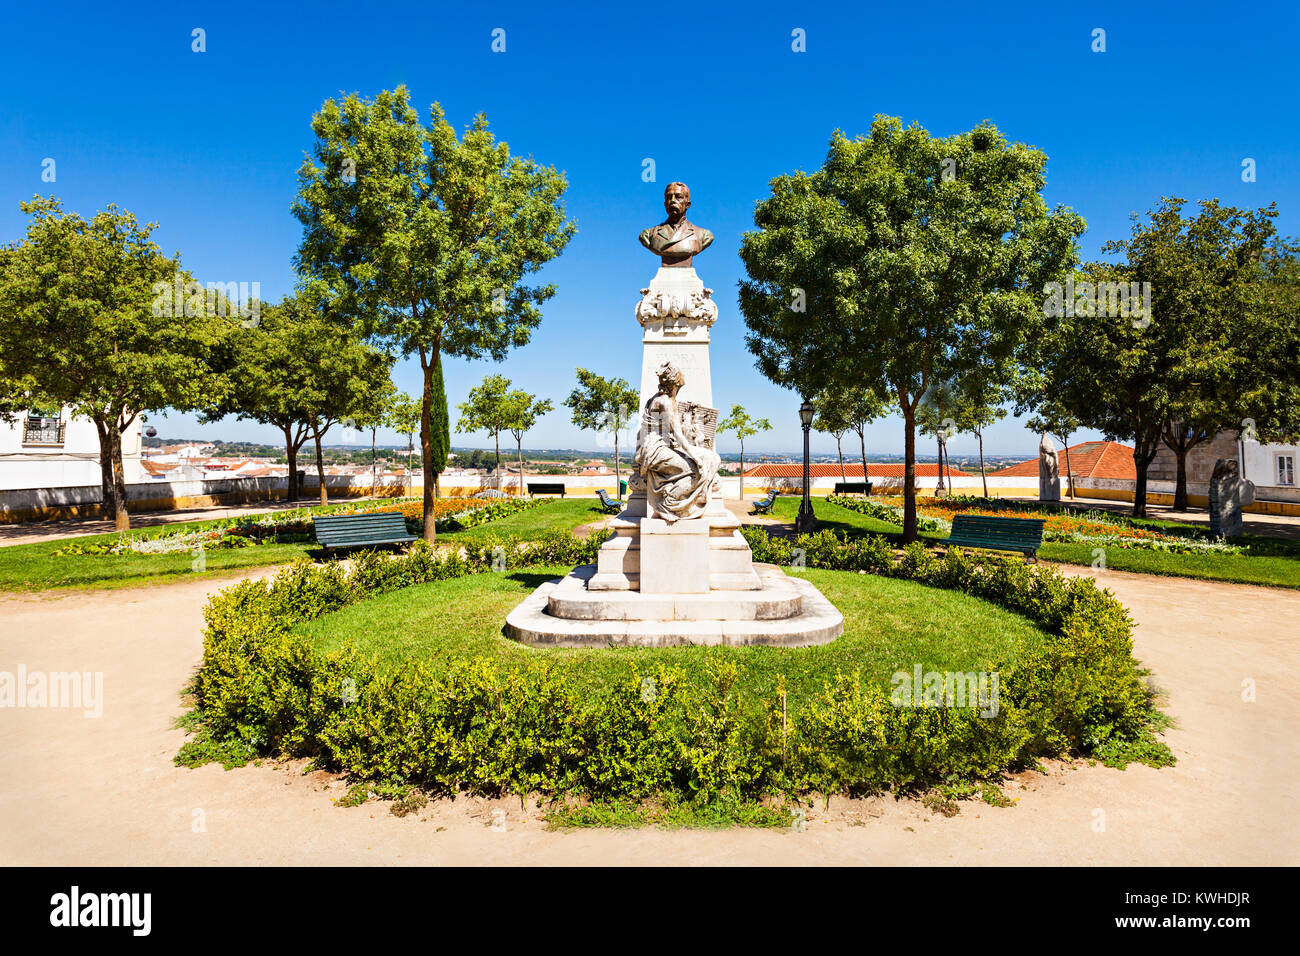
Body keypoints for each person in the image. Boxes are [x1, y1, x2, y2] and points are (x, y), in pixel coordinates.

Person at [634, 362, 720, 521]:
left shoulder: (657, 398)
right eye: (681, 380)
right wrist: (695, 457)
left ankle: (698, 494)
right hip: (655, 449)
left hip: (657, 446)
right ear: (675, 383)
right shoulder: (665, 402)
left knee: (713, 458)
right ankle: (670, 502)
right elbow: (679, 436)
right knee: (694, 469)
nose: (683, 381)